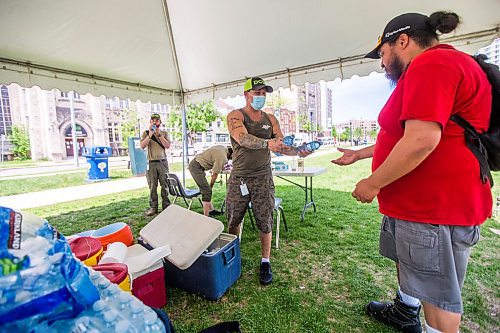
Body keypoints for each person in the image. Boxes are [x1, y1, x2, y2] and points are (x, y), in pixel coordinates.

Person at [332, 12, 492, 333]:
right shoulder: (439, 65)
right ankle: (405, 310)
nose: (381, 62)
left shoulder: (431, 65)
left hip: (432, 208)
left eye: (382, 53)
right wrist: (361, 154)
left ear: (402, 41)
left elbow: (421, 140)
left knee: (439, 302)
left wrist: (372, 183)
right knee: (414, 271)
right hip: (423, 207)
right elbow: (407, 134)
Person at [226, 77, 311, 285]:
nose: (261, 97)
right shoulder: (235, 116)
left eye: (264, 93)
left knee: (265, 219)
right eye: (257, 93)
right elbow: (243, 138)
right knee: (233, 219)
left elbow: (280, 145)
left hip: (263, 177)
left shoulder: (271, 119)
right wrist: (268, 143)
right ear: (247, 95)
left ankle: (265, 261)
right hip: (239, 177)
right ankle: (233, 255)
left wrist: (299, 152)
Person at [140, 113, 172, 216]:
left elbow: (167, 146)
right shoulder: (145, 133)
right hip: (151, 162)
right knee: (152, 186)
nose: (155, 122)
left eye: (157, 120)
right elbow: (142, 146)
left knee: (165, 184)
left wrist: (159, 135)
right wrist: (150, 134)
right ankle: (153, 207)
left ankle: (166, 206)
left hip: (162, 162)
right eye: (153, 120)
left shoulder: (164, 133)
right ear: (150, 122)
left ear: (160, 122)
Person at [188, 145, 233, 216]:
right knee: (207, 190)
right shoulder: (223, 157)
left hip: (196, 164)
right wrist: (210, 187)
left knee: (206, 190)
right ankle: (206, 215)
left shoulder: (223, 148)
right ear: (231, 154)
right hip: (196, 167)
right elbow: (215, 174)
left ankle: (211, 210)